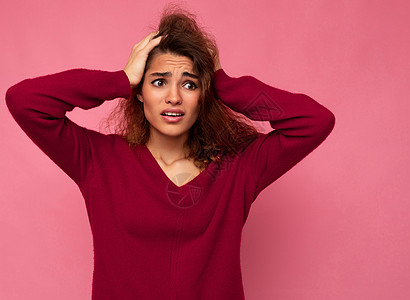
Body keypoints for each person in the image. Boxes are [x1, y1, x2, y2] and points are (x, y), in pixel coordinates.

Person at [5, 6, 335, 300]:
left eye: (190, 84)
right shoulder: (97, 160)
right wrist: (119, 79)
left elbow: (314, 122)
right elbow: (25, 101)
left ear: (203, 95)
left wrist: (223, 83)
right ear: (139, 92)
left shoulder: (238, 168)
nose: (174, 96)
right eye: (159, 82)